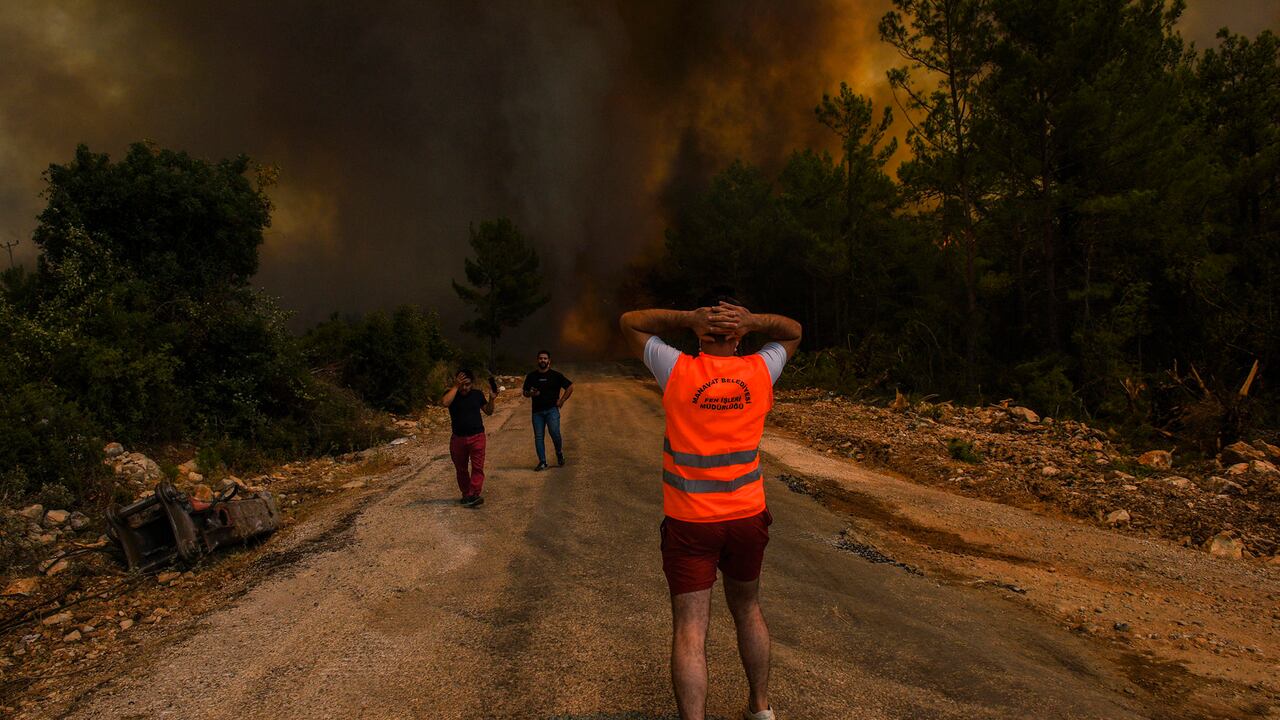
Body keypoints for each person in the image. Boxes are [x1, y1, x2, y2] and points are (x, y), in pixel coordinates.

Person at [619, 297, 801, 720]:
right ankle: (760, 708)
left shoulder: (676, 368)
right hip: (746, 517)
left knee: (690, 628)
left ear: (702, 335)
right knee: (748, 608)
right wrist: (754, 320)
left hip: (691, 522)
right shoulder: (761, 369)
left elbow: (630, 323)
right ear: (739, 337)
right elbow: (793, 331)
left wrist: (687, 319)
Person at [441, 368, 495, 507]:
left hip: (477, 436)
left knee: (477, 468)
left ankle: (474, 494)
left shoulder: (477, 395)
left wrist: (492, 399)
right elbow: (445, 403)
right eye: (462, 384)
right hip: (458, 438)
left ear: (472, 383)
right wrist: (455, 386)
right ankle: (466, 494)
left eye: (468, 384)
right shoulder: (452, 394)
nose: (465, 388)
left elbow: (488, 411)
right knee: (461, 469)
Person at [522, 350, 573, 470]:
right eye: (540, 358)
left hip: (552, 410)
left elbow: (570, 387)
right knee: (539, 437)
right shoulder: (531, 376)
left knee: (555, 433)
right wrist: (531, 393)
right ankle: (542, 462)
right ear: (537, 360)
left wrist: (562, 400)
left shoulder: (556, 375)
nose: (542, 360)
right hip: (537, 412)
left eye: (545, 358)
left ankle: (559, 452)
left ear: (549, 361)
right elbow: (525, 392)